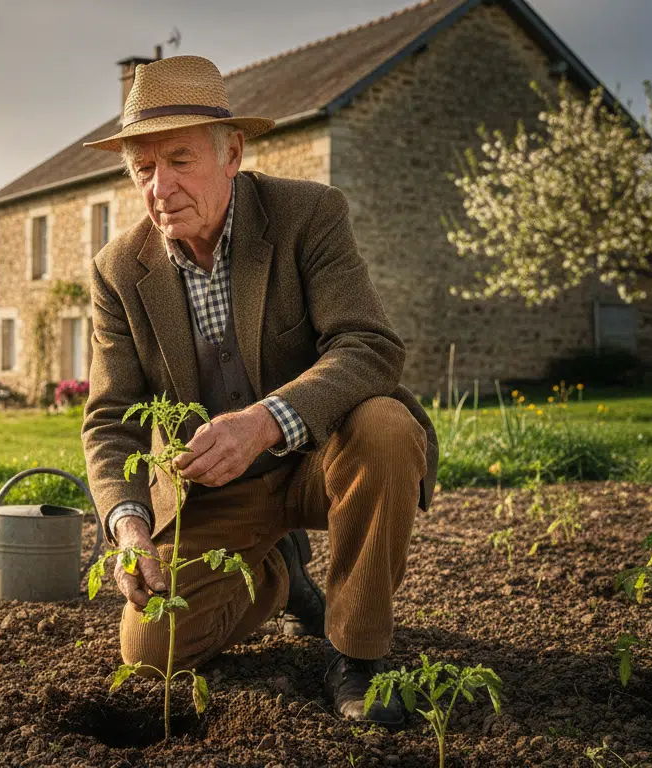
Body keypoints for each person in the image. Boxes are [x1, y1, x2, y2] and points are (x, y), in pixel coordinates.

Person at [80, 55, 439, 726]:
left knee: (388, 427)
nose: (160, 186)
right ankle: (279, 575)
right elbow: (110, 419)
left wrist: (264, 423)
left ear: (232, 154)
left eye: (179, 161)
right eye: (143, 169)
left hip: (323, 455)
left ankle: (357, 655)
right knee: (152, 654)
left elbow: (368, 345)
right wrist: (129, 526)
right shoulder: (118, 270)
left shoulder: (308, 214)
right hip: (215, 488)